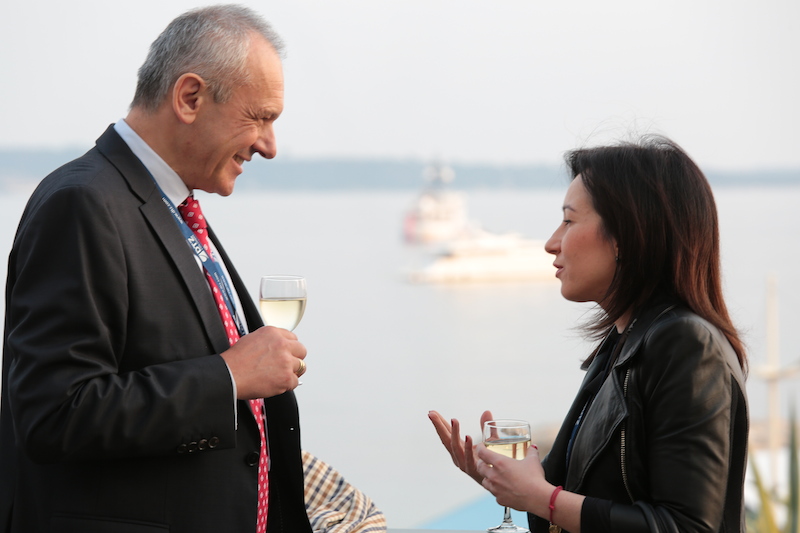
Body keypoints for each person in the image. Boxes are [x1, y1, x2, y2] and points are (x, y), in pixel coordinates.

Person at [0, 5, 313, 532]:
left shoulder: (170, 207)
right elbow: (53, 414)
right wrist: (228, 376)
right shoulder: (83, 203)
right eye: (259, 117)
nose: (269, 145)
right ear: (189, 98)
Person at [429, 136, 749, 532]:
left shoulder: (686, 344)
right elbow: (571, 501)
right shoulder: (621, 343)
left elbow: (686, 526)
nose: (551, 244)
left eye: (568, 220)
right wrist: (505, 481)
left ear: (625, 235)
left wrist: (542, 498)